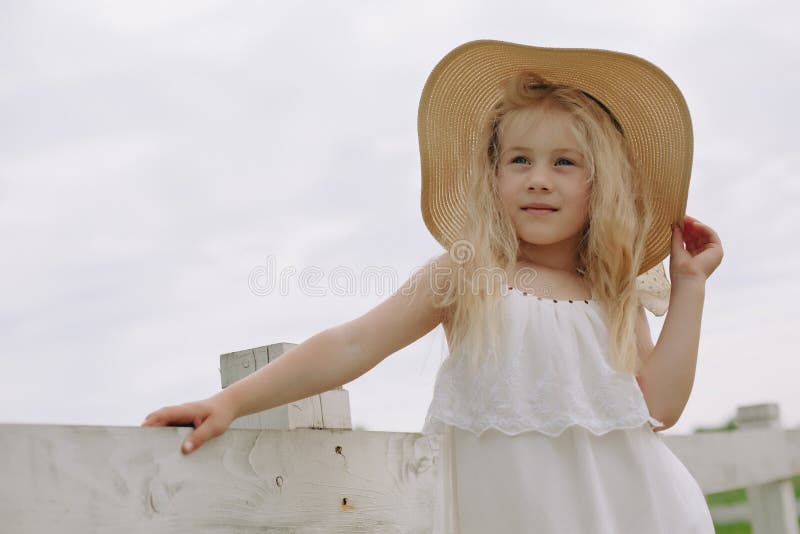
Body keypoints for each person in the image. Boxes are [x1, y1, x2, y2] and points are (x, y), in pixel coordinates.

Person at [142, 40, 724, 533]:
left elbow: (662, 407)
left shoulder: (610, 294)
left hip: (632, 514)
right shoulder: (469, 275)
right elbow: (353, 344)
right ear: (493, 176)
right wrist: (231, 402)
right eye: (519, 159)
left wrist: (689, 285)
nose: (538, 179)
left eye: (564, 163)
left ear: (601, 186)